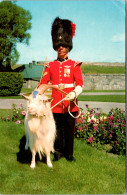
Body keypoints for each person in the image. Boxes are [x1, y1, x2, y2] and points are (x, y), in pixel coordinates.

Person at [37, 17, 84, 162]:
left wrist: (74, 93)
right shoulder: (50, 66)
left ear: (68, 46)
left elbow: (80, 83)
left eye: (63, 45)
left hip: (70, 104)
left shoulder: (74, 65)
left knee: (70, 130)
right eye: (58, 45)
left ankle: (69, 153)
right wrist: (34, 94)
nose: (60, 47)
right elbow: (43, 84)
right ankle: (57, 152)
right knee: (56, 130)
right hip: (56, 104)